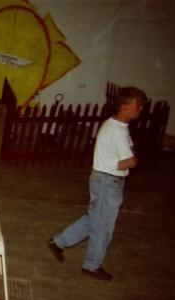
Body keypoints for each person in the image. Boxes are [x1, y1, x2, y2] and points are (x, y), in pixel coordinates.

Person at [47, 87, 146, 281]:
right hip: (108, 181)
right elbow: (131, 161)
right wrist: (130, 159)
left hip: (103, 179)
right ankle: (92, 265)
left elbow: (125, 158)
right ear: (123, 106)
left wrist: (126, 159)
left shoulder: (116, 125)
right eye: (137, 106)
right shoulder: (117, 131)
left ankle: (58, 242)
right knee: (103, 227)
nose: (140, 110)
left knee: (94, 219)